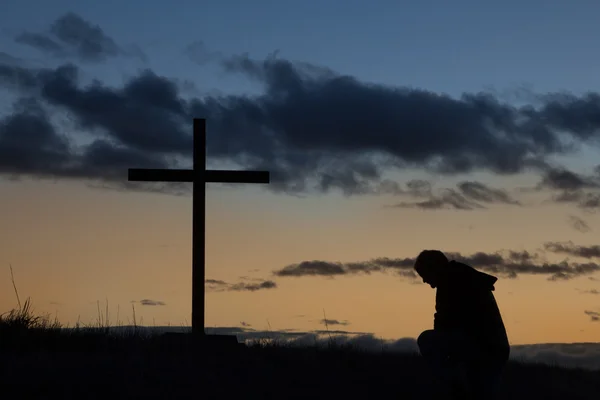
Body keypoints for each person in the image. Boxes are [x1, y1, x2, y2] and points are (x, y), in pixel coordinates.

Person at [414, 250, 510, 399]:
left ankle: (454, 388)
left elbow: (444, 323)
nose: (425, 281)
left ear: (433, 269)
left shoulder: (450, 282)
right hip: (496, 348)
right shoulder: (462, 276)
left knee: (426, 339)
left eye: (424, 275)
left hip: (482, 346)